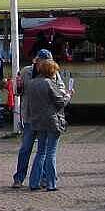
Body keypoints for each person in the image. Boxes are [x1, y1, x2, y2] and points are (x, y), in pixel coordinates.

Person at [23, 58, 70, 191]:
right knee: (51, 152)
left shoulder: (31, 83)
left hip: (37, 121)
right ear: (51, 71)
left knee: (40, 152)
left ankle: (34, 182)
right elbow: (60, 102)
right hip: (52, 120)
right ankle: (51, 183)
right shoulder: (49, 83)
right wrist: (68, 95)